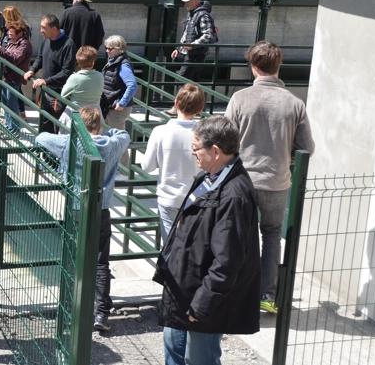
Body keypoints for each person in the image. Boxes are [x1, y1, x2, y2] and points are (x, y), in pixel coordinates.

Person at [154, 116, 260, 365]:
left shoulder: (234, 195)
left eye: (196, 149)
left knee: (199, 358)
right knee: (173, 345)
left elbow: (227, 261)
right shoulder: (208, 178)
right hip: (184, 288)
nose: (193, 154)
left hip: (203, 298)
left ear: (215, 151)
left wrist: (202, 305)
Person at [225, 41, 315, 314]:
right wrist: (286, 157)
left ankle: (238, 292)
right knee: (272, 235)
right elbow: (307, 147)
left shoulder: (240, 99)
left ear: (253, 66)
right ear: (279, 66)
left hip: (243, 180)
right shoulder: (294, 103)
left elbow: (226, 139)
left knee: (239, 235)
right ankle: (267, 294)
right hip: (277, 180)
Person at [35, 107, 130, 333]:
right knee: (100, 261)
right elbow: (124, 134)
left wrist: (73, 133)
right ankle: (101, 312)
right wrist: (105, 132)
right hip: (101, 208)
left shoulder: (69, 143)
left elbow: (40, 138)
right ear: (99, 124)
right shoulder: (112, 144)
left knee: (72, 258)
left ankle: (70, 308)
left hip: (76, 209)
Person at [141, 84, 205, 242]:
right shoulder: (205, 132)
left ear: (176, 103)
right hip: (197, 197)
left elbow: (147, 167)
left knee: (170, 246)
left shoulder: (160, 131)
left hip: (168, 197)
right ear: (200, 108)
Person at [23, 14, 76, 134]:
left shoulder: (68, 44)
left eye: (44, 28)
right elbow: (40, 58)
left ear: (54, 28)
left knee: (57, 127)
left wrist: (46, 81)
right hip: (46, 91)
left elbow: (67, 71)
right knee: (44, 124)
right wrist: (32, 70)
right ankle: (43, 146)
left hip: (59, 94)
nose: (41, 31)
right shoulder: (46, 40)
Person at [168, 0, 217, 114]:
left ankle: (177, 108)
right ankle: (198, 109)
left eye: (188, 2)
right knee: (194, 83)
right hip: (192, 53)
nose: (185, 4)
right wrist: (179, 49)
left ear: (195, 2)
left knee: (182, 79)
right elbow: (187, 35)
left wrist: (192, 45)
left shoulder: (202, 15)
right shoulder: (193, 14)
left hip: (195, 54)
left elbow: (208, 35)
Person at [0, 20, 32, 134]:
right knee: (6, 104)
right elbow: (5, 55)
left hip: (14, 78)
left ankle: (14, 130)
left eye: (11, 34)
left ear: (20, 33)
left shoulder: (24, 44)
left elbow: (15, 58)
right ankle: (9, 127)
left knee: (12, 105)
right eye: (9, 33)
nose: (9, 35)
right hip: (6, 76)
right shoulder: (11, 42)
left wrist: (1, 50)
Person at [58, 45, 104, 130]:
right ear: (93, 62)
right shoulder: (100, 76)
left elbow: (63, 95)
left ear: (78, 62)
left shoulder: (74, 77)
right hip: (95, 115)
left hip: (76, 114)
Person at [100, 35, 137, 130]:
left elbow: (132, 85)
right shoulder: (114, 60)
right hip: (110, 106)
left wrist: (122, 103)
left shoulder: (123, 65)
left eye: (110, 49)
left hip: (117, 110)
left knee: (115, 136)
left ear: (119, 49)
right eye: (106, 48)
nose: (107, 51)